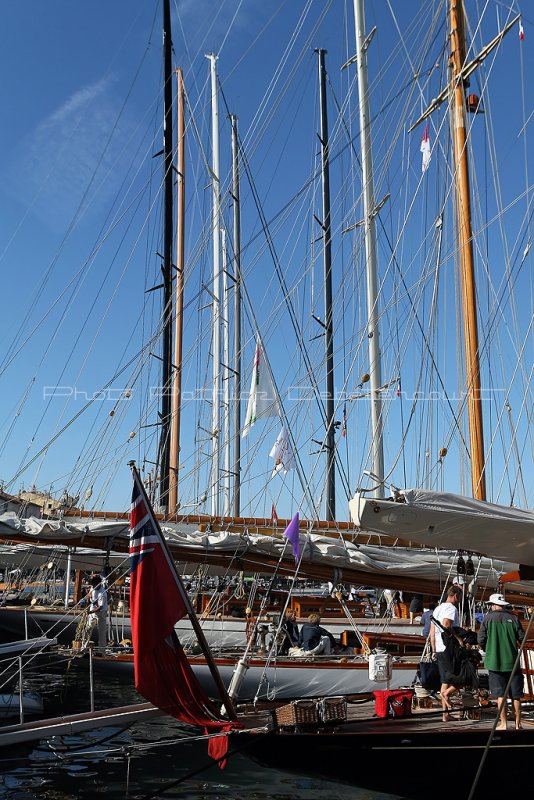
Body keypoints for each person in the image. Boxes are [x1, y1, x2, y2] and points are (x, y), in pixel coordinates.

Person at [478, 593, 524, 730]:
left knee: (500, 694)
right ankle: (518, 723)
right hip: (512, 662)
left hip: (495, 662)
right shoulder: (514, 618)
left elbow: (481, 639)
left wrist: (488, 649)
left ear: (493, 605)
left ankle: (503, 723)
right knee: (516, 695)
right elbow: (522, 638)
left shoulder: (487, 619)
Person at [430, 585, 462, 721]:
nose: (460, 600)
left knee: (445, 680)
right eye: (460, 597)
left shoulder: (438, 608)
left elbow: (432, 632)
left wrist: (433, 649)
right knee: (461, 677)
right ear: (455, 596)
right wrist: (459, 639)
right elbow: (447, 624)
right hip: (448, 648)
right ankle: (447, 694)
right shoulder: (450, 608)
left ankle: (445, 715)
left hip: (439, 647)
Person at [88, 575, 108, 648]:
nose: (93, 586)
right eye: (92, 585)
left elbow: (100, 607)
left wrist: (90, 612)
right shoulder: (93, 587)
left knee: (101, 632)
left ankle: (101, 650)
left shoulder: (102, 593)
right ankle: (84, 646)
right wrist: (86, 600)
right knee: (88, 629)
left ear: (99, 583)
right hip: (92, 611)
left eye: (94, 585)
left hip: (101, 613)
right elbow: (90, 594)